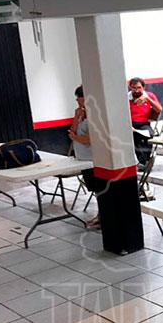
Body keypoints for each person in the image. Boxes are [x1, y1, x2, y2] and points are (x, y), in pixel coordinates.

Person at [67, 85, 100, 229]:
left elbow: (90, 139)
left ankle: (102, 216)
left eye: (79, 98)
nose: (77, 101)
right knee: (94, 189)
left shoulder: (94, 115)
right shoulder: (81, 113)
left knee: (99, 189)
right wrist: (76, 116)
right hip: (82, 158)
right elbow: (72, 131)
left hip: (93, 158)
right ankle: (100, 215)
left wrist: (75, 137)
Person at [128, 77, 163, 167]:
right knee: (136, 136)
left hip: (144, 124)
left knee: (149, 135)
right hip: (130, 124)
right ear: (130, 88)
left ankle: (144, 161)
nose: (136, 90)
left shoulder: (149, 95)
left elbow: (159, 109)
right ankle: (144, 162)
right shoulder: (126, 98)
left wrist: (148, 99)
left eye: (139, 88)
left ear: (143, 88)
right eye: (134, 88)